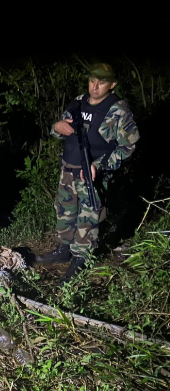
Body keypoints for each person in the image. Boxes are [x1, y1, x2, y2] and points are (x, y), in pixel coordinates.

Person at [35, 63, 140, 284]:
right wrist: (57, 126)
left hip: (92, 174)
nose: (95, 86)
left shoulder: (119, 110)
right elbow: (59, 130)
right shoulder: (78, 101)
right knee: (64, 210)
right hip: (68, 168)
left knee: (89, 215)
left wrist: (99, 165)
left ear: (112, 84)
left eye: (102, 82)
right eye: (92, 80)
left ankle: (81, 258)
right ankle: (64, 249)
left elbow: (128, 147)